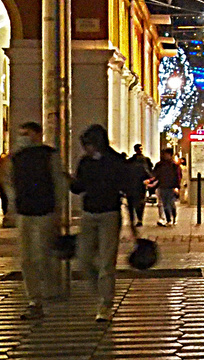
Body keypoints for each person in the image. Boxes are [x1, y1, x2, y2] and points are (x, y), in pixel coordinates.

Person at [5, 121, 68, 320]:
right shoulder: (16, 157)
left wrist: (58, 209)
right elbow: (9, 182)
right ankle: (34, 298)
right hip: (25, 212)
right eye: (21, 133)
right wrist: (13, 206)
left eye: (27, 133)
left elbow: (59, 182)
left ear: (38, 134)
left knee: (45, 253)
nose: (23, 137)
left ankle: (50, 290)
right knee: (27, 258)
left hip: (45, 211)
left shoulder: (49, 155)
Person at [71, 124, 130, 322]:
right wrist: (70, 181)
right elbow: (78, 188)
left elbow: (125, 186)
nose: (86, 149)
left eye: (89, 144)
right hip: (89, 213)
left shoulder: (115, 161)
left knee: (107, 260)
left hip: (109, 213)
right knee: (84, 257)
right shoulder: (85, 162)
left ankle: (105, 303)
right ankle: (101, 288)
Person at [152, 147, 182, 226]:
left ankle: (173, 217)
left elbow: (178, 176)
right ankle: (169, 219)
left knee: (170, 203)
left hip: (171, 187)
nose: (165, 156)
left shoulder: (174, 165)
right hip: (162, 186)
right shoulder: (159, 165)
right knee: (165, 204)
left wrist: (177, 187)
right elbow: (155, 174)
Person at [124, 145, 151, 229]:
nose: (141, 150)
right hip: (136, 185)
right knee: (136, 203)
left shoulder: (133, 161)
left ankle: (137, 219)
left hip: (136, 185)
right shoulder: (143, 160)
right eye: (139, 149)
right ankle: (137, 219)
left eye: (141, 149)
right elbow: (148, 172)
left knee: (137, 203)